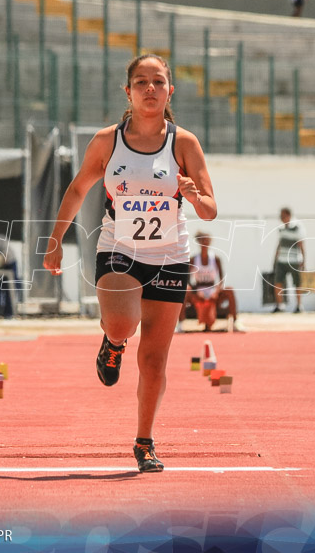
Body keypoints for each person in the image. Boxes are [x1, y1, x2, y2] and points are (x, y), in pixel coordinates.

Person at [44, 53, 218, 473]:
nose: (150, 89)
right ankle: (113, 342)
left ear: (169, 89)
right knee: (122, 323)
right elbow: (77, 189)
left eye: (158, 81)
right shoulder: (108, 141)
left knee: (155, 360)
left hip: (170, 256)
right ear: (128, 91)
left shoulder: (184, 143)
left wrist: (193, 196)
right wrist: (54, 241)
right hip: (119, 249)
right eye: (141, 82)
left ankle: (144, 442)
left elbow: (210, 209)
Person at [179, 231, 237, 332]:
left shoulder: (216, 259)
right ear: (199, 242)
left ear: (210, 242)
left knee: (229, 290)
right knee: (184, 291)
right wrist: (196, 292)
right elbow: (187, 279)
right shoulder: (194, 259)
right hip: (198, 290)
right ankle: (180, 324)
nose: (205, 243)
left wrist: (216, 291)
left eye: (207, 241)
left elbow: (221, 279)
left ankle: (235, 323)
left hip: (212, 289)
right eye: (202, 241)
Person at [273, 206, 305, 313]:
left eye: (283, 216)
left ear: (289, 215)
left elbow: (301, 243)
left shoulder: (297, 226)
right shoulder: (280, 227)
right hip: (281, 260)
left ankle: (299, 306)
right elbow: (279, 244)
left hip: (294, 260)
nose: (281, 218)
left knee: (297, 283)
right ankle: (280, 305)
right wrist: (275, 259)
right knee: (278, 282)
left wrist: (303, 260)